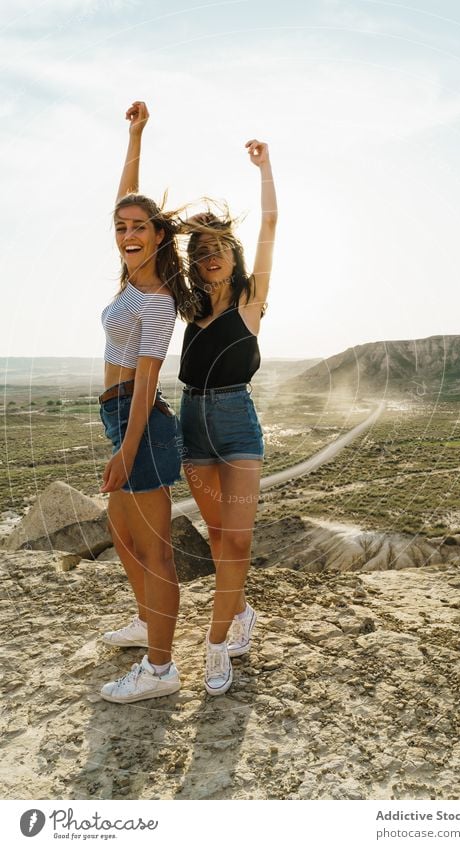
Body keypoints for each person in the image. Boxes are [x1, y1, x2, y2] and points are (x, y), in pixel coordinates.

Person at [125, 102, 277, 696]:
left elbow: (270, 226)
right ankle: (237, 612)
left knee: (237, 539)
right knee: (216, 538)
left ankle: (218, 648)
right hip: (193, 421)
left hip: (237, 423)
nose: (210, 253)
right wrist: (137, 135)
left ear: (234, 255)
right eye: (202, 249)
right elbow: (139, 230)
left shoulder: (251, 301)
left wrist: (264, 169)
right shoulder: (188, 305)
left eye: (220, 246)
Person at [98, 101, 192, 704]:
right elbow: (127, 193)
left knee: (155, 548)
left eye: (139, 228)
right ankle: (147, 622)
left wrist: (127, 451)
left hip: (142, 422)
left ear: (159, 237)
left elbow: (148, 382)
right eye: (121, 228)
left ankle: (161, 668)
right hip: (119, 413)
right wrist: (135, 135)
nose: (129, 235)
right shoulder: (130, 280)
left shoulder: (156, 298)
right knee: (122, 533)